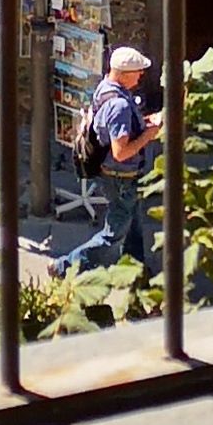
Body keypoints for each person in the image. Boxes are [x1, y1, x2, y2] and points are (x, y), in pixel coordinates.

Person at [67, 43, 160, 268]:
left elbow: (112, 129)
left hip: (114, 174)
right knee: (113, 235)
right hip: (120, 176)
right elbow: (121, 152)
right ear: (125, 74)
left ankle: (135, 268)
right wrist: (149, 134)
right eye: (138, 71)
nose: (141, 75)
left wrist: (143, 124)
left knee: (133, 222)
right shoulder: (119, 105)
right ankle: (66, 266)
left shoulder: (105, 88)